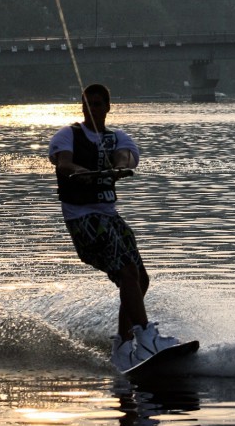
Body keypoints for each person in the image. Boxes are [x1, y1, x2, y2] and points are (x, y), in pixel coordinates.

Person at [49, 82, 178, 371]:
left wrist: (118, 166)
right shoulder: (68, 135)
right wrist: (79, 171)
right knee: (127, 272)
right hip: (84, 220)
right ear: (81, 107)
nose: (92, 109)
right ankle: (145, 337)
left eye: (97, 104)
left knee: (140, 280)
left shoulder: (118, 138)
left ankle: (121, 346)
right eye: (87, 104)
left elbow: (127, 156)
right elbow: (63, 163)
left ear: (108, 107)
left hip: (110, 218)